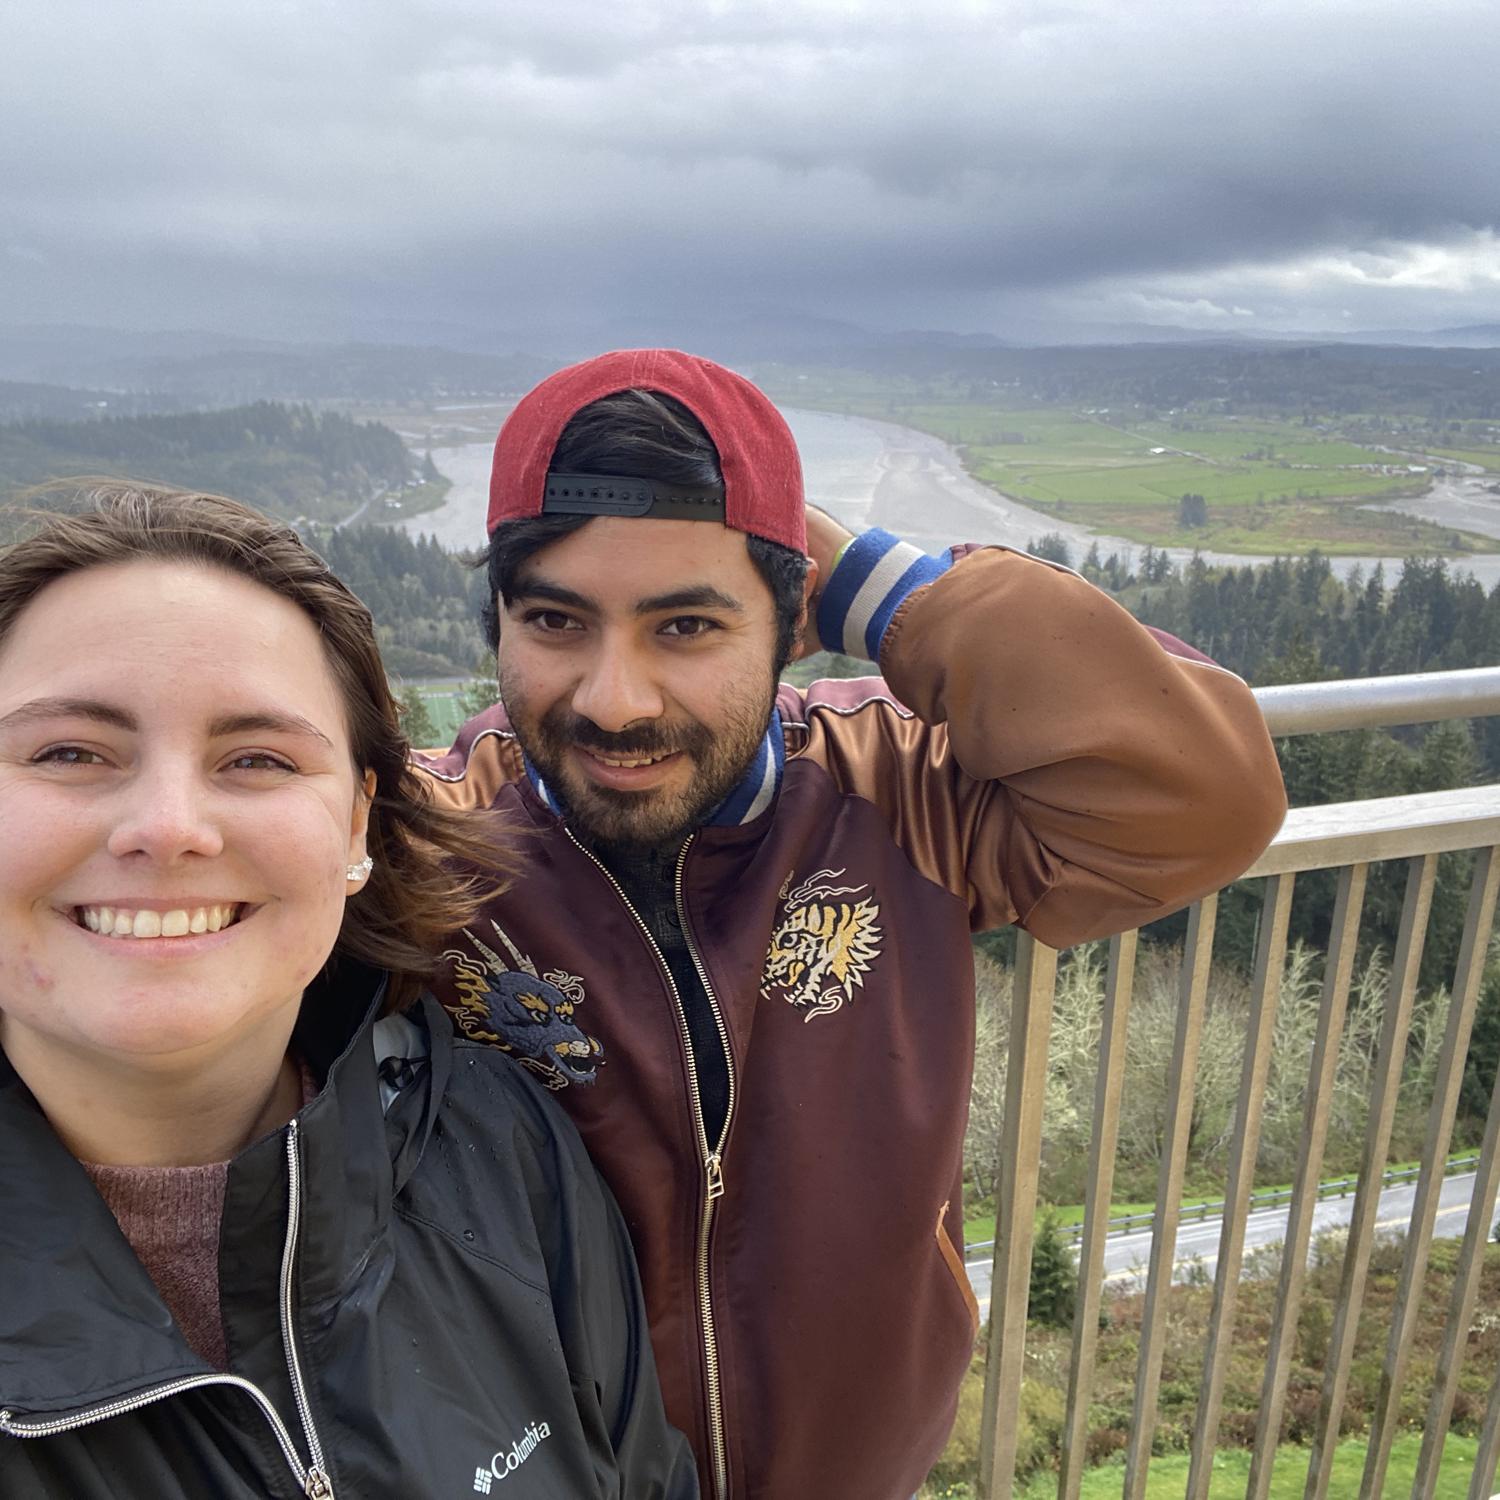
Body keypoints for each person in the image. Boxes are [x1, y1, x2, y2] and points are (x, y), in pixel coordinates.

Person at [415, 349, 1288, 1500]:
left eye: (687, 626)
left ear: (793, 625)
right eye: (555, 621)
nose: (613, 699)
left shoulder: (896, 787)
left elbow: (1203, 804)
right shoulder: (447, 841)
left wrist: (874, 583)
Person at [0, 485, 698, 1500]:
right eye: (69, 752)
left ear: (358, 826)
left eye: (257, 758)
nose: (166, 825)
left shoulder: (492, 1145)